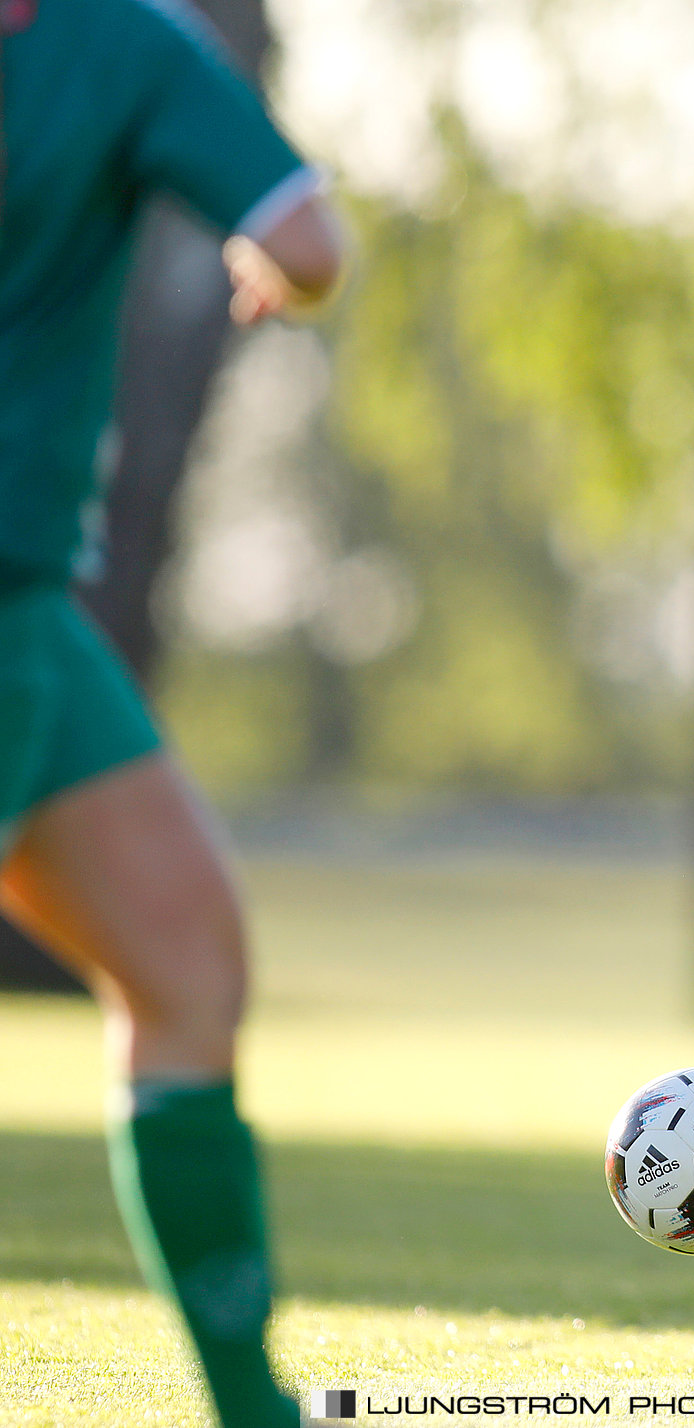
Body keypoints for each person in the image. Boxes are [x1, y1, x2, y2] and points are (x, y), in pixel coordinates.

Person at [0, 3, 344, 1424]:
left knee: (183, 961)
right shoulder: (122, 44)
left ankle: (249, 1409)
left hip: (30, 611)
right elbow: (308, 243)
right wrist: (275, 271)